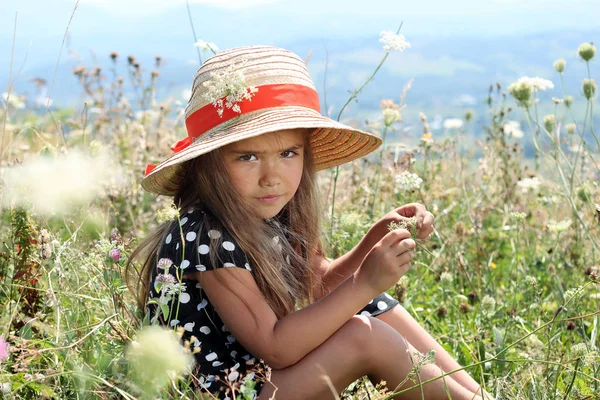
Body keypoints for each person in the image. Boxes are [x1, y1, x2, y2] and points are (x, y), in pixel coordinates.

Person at [127, 45, 493, 400]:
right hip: (225, 392)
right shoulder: (204, 233)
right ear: (209, 164)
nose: (272, 177)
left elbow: (321, 283)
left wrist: (377, 238)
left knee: (371, 304)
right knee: (363, 335)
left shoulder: (272, 212)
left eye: (288, 153)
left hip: (262, 380)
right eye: (248, 157)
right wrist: (365, 281)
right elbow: (275, 347)